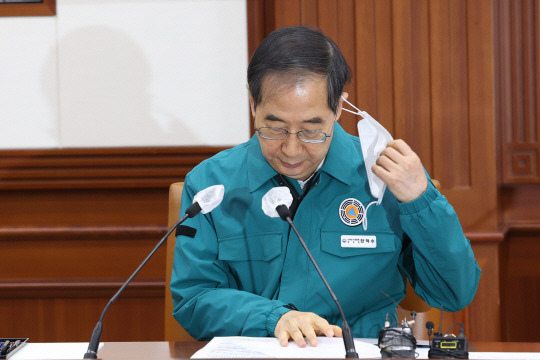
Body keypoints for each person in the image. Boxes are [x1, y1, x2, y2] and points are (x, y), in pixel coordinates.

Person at [170, 25, 480, 348]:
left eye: (310, 130)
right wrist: (273, 317)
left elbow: (454, 292)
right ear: (252, 104)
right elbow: (193, 298)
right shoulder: (211, 187)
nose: (291, 149)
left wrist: (421, 201)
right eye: (274, 128)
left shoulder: (382, 175)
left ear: (338, 108)